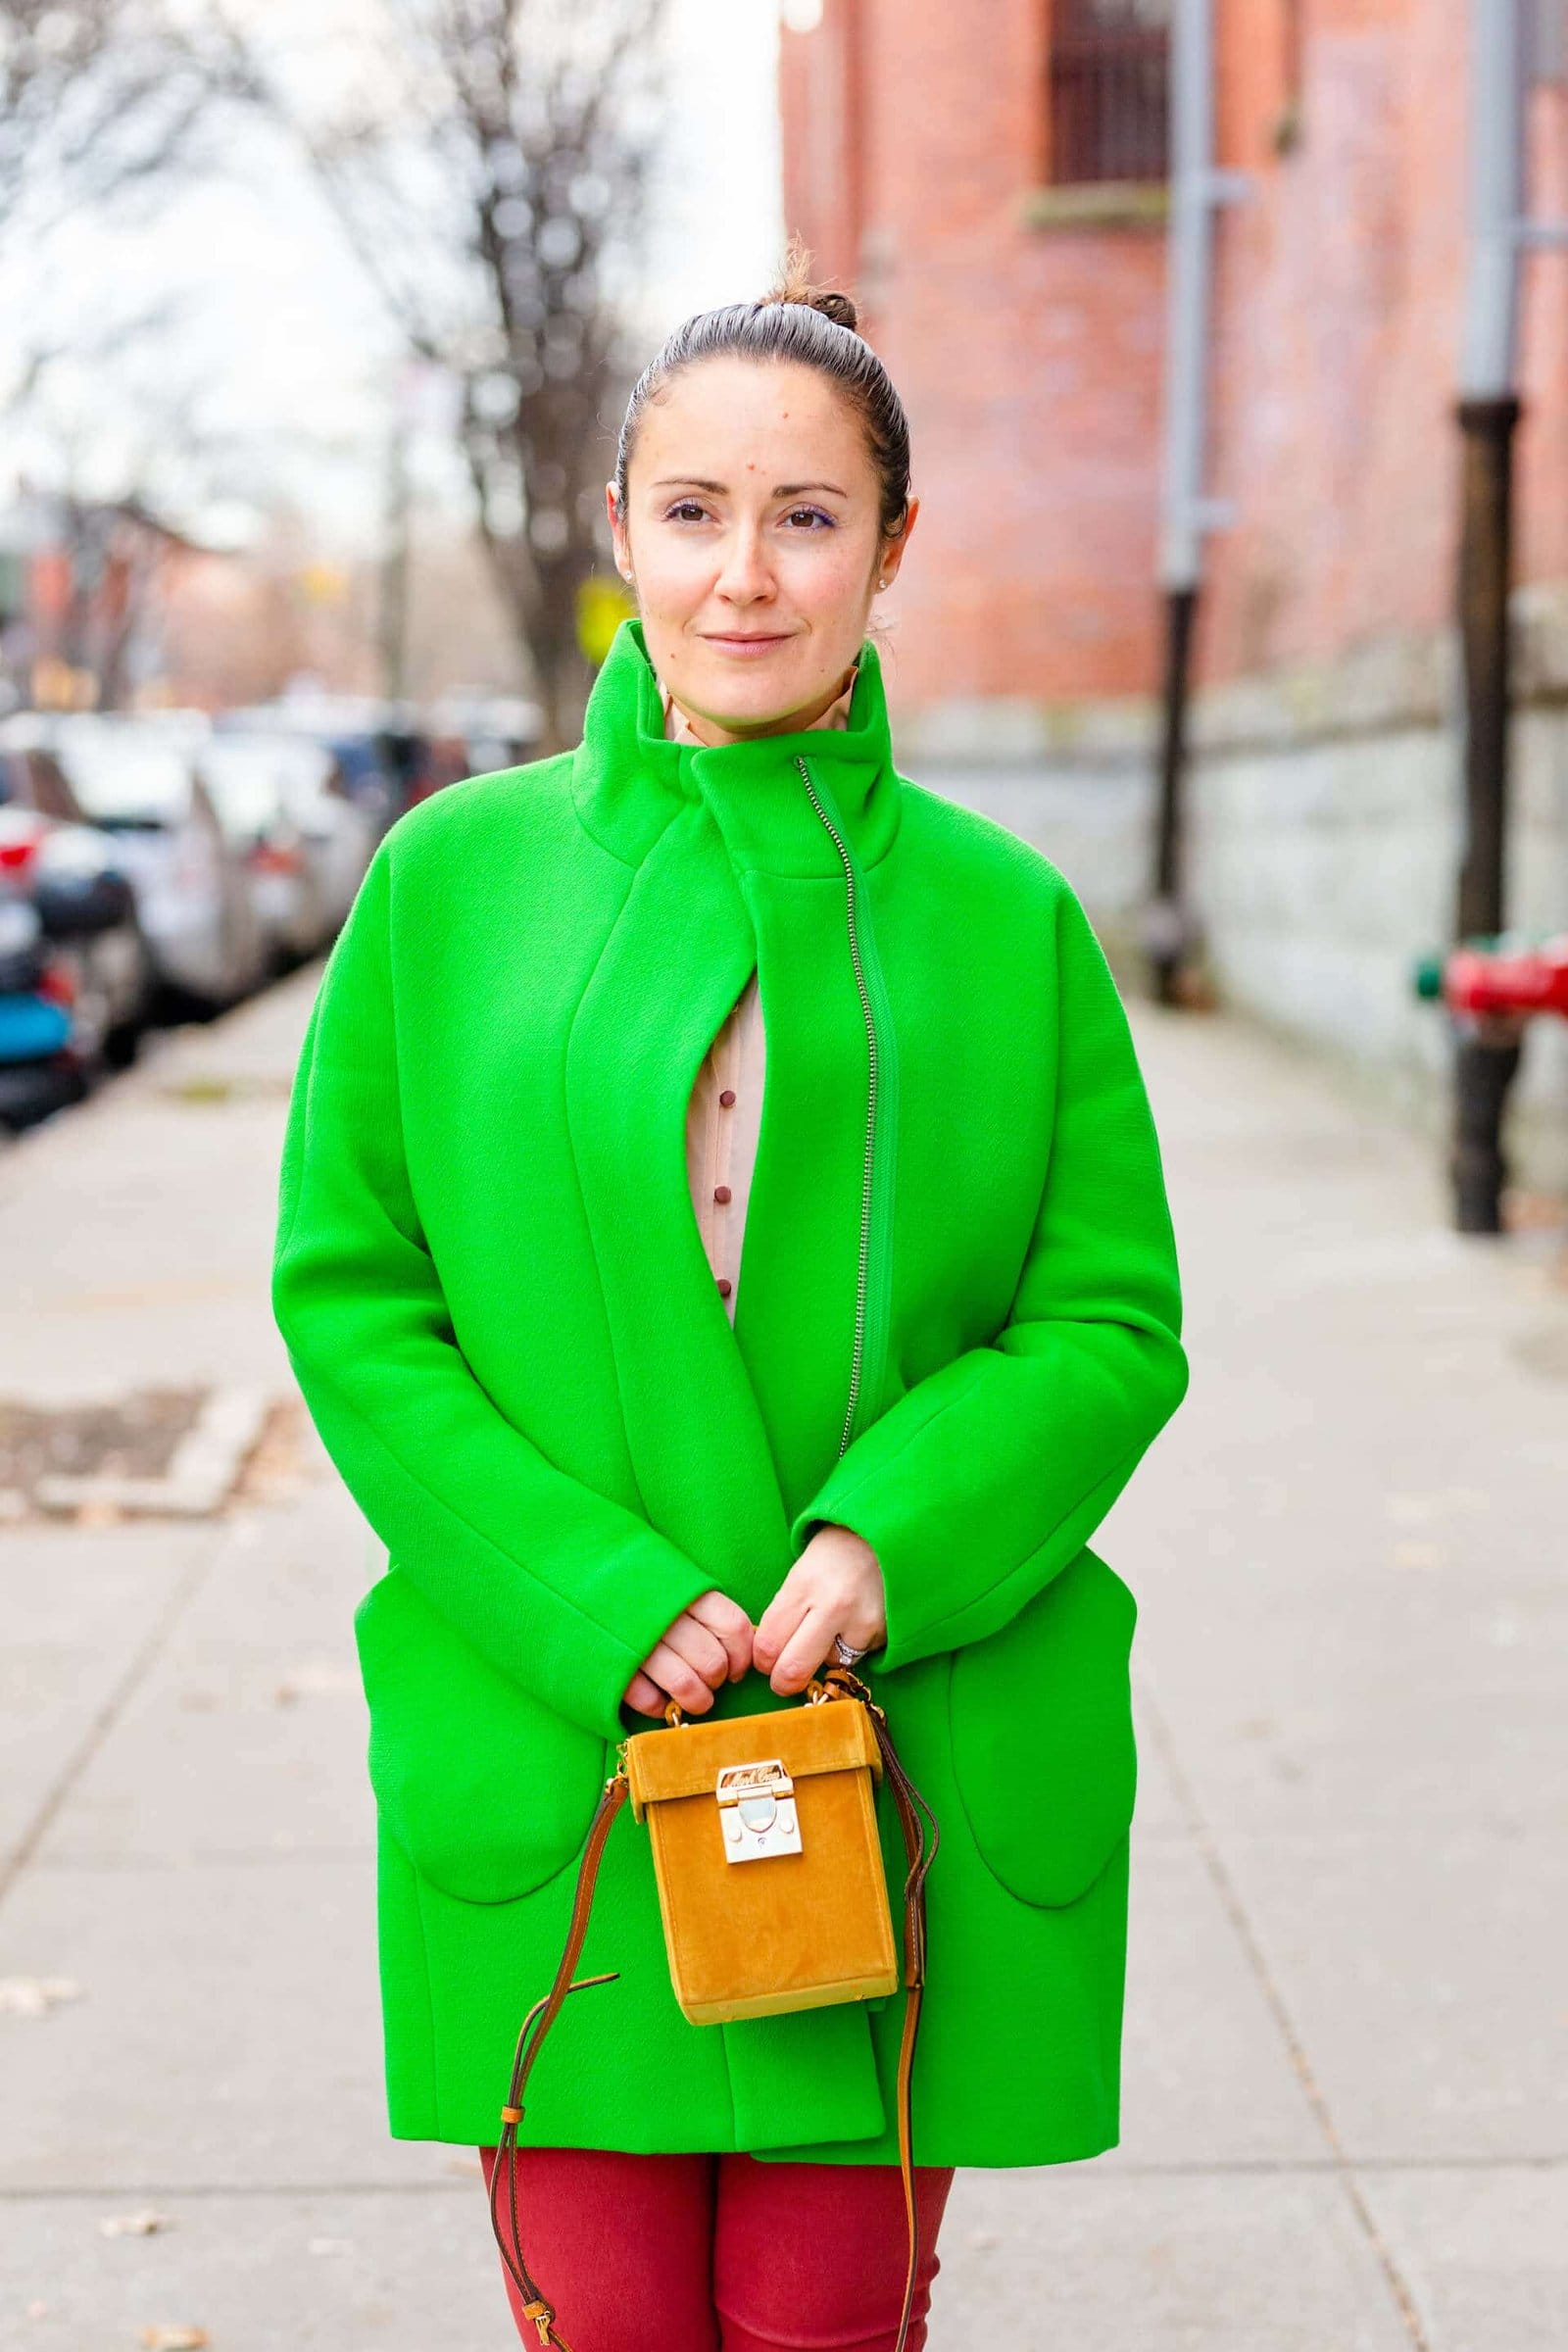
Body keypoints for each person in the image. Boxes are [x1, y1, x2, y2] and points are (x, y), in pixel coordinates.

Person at [270, 238, 1191, 2352]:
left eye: (805, 519)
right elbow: (353, 1294)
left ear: (890, 547)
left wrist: (894, 1529)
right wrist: (591, 1592)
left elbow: (1105, 1316)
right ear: (618, 533)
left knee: (825, 2335)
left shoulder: (1007, 916)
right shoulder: (446, 886)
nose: (743, 577)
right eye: (691, 514)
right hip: (564, 1749)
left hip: (897, 1749)